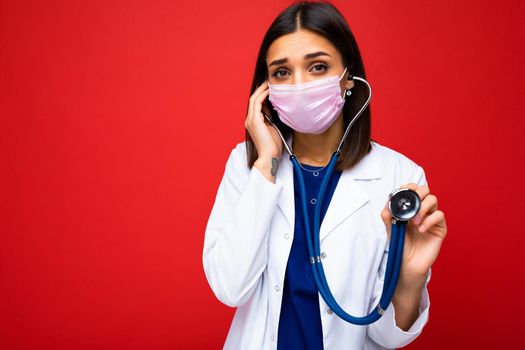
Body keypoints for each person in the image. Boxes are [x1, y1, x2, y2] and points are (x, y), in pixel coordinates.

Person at [202, 1, 448, 349]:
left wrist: (409, 276)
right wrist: (267, 163)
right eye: (282, 72)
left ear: (348, 76)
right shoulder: (247, 165)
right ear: (265, 88)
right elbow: (229, 287)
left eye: (318, 67)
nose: (299, 85)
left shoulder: (399, 176)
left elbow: (386, 336)